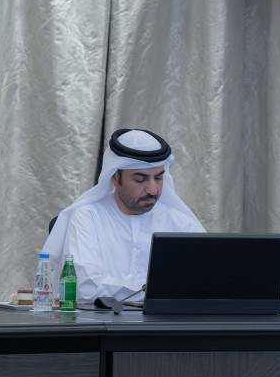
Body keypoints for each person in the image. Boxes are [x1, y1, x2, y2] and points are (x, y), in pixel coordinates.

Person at [42, 128, 205, 302]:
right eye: (140, 179)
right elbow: (85, 287)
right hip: (102, 319)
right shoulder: (87, 217)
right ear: (115, 178)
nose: (153, 189)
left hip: (165, 319)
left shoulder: (181, 224)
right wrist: (160, 291)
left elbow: (206, 281)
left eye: (158, 178)